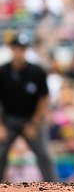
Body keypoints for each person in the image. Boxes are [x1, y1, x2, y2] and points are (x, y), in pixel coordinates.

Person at [0, 32, 55, 181]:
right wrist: (1, 125)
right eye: (17, 48)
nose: (20, 52)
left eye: (23, 48)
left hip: (31, 118)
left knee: (44, 154)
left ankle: (55, 189)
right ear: (12, 49)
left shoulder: (36, 72)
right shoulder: (2, 72)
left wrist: (35, 123)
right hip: (9, 120)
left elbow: (43, 99)